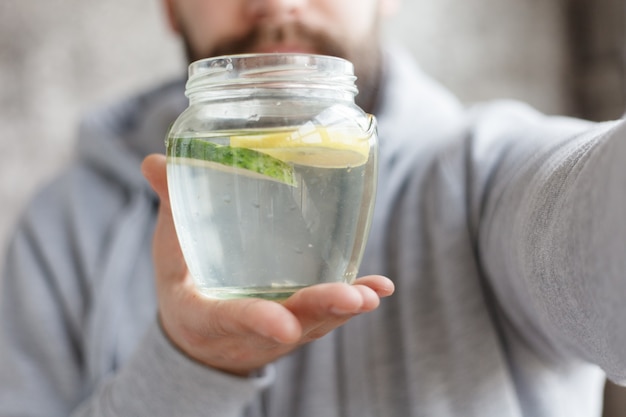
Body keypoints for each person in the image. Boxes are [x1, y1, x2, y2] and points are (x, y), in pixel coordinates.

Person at [1, 0, 625, 416]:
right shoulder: (63, 228)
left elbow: (590, 220)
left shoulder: (487, 167)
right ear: (170, 6)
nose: (277, 5)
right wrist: (185, 366)